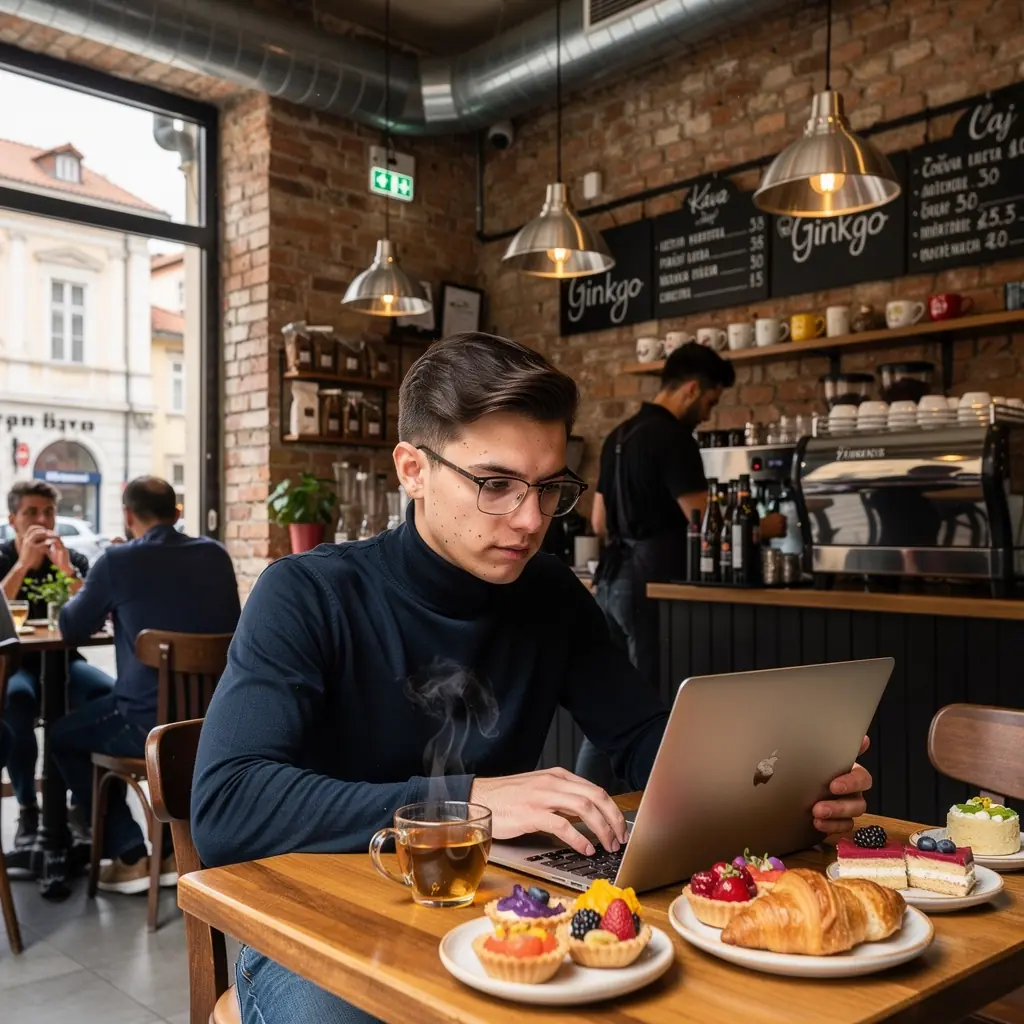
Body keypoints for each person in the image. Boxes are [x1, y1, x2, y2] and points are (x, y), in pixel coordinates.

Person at [191, 333, 870, 1024]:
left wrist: (773, 784)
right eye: (495, 485)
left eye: (549, 489)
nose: (530, 520)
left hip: (496, 908)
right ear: (413, 470)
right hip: (315, 915)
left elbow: (642, 737)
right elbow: (225, 806)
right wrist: (462, 802)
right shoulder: (307, 594)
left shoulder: (549, 593)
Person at [577, 343, 784, 790]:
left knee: (611, 702)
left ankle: (585, 798)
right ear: (691, 389)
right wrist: (766, 526)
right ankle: (632, 802)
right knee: (639, 707)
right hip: (651, 585)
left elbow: (598, 522)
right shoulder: (673, 438)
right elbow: (705, 520)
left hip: (610, 580)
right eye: (710, 401)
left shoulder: (618, 436)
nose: (707, 414)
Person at [52, 476, 241, 894]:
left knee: (61, 736)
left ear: (128, 515)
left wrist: (72, 577)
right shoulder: (215, 555)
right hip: (212, 723)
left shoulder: (117, 561)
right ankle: (172, 852)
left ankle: (130, 854)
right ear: (176, 512)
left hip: (145, 726)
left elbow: (72, 627)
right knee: (102, 694)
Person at [0, 481, 114, 850]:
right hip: (16, 665)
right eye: (31, 512)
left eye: (48, 512)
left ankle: (80, 806)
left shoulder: (72, 559)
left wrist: (66, 570)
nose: (42, 520)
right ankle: (28, 808)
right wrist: (22, 566)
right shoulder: (3, 557)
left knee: (104, 694)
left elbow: (96, 617)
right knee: (15, 702)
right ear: (12, 519)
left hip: (66, 662)